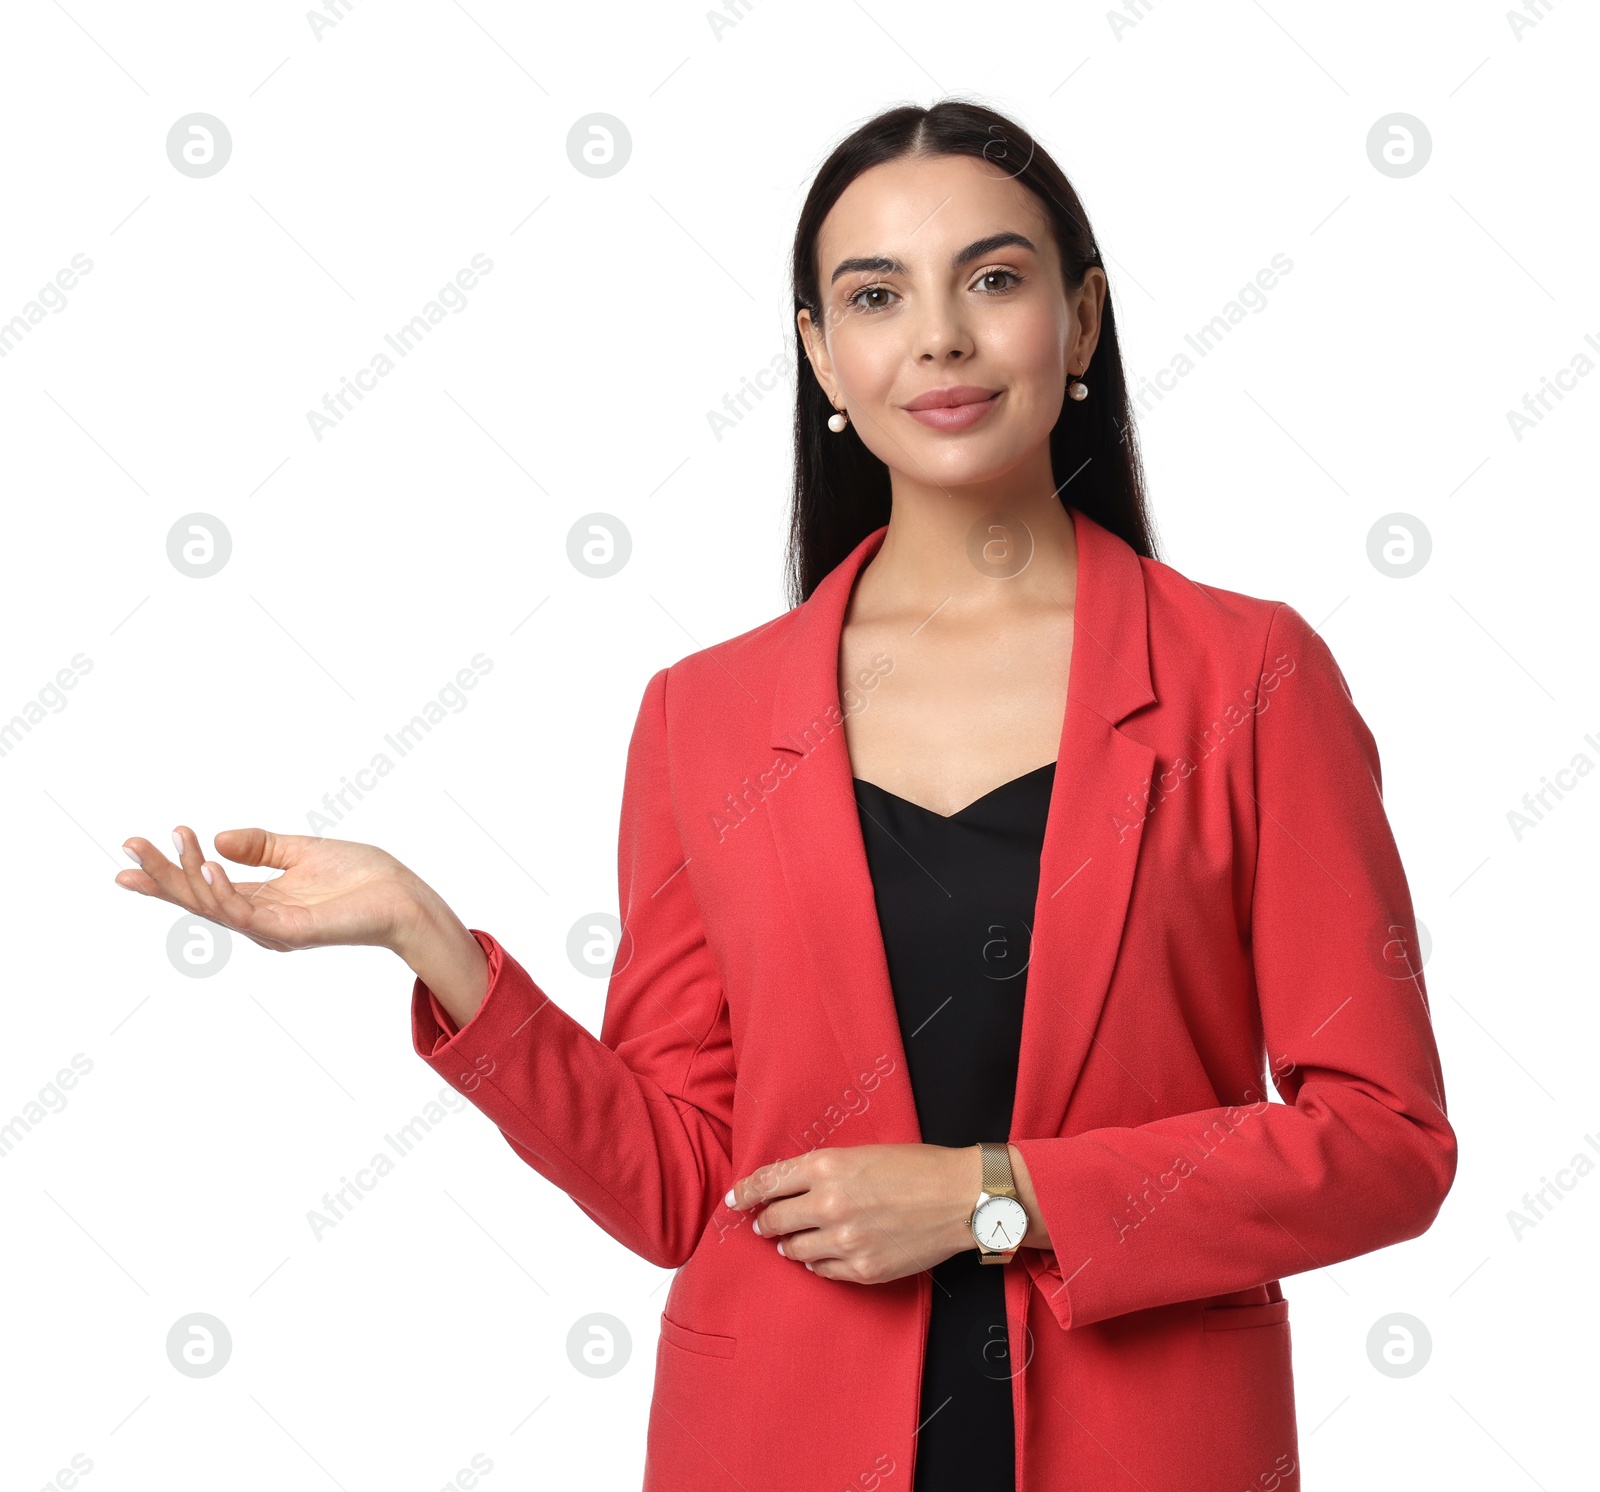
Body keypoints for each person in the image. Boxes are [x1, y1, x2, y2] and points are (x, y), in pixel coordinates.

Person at [114, 98, 1456, 1492]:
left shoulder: (1251, 678)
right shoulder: (705, 716)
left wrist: (992, 1198)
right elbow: (681, 1182)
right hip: (775, 1446)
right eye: (875, 295)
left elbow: (1384, 1143)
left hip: (1149, 1446)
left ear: (1084, 320)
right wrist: (430, 940)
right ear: (821, 349)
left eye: (993, 280)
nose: (939, 334)